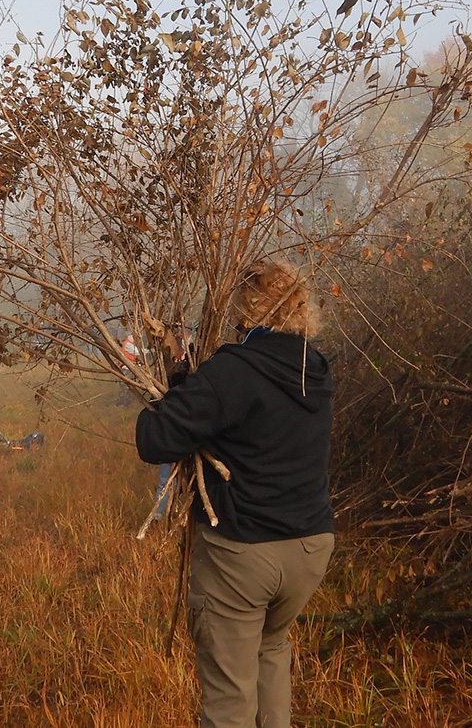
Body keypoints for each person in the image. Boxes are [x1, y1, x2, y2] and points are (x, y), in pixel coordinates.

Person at [136, 260, 334, 728]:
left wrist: (172, 395)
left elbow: (154, 438)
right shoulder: (315, 368)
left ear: (247, 309)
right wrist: (196, 391)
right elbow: (248, 420)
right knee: (271, 650)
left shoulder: (236, 369)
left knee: (229, 703)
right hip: (310, 548)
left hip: (245, 556)